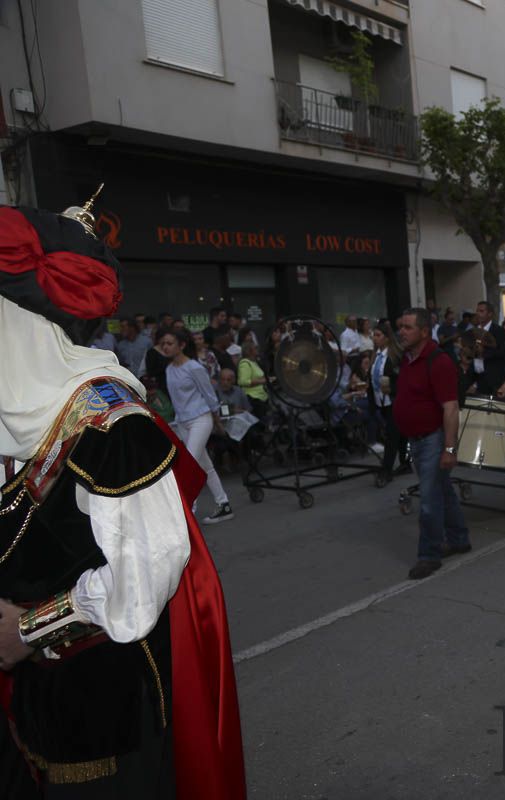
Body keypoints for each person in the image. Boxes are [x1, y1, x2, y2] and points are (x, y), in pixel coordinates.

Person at [0, 202, 245, 798]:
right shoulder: (15, 410)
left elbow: (143, 580)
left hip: (105, 696)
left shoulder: (114, 423)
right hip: (34, 694)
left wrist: (29, 627)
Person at [393, 308, 470, 580]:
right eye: (401, 326)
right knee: (442, 490)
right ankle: (459, 538)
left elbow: (450, 408)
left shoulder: (438, 361)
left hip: (433, 440)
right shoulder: (407, 358)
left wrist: (449, 448)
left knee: (429, 501)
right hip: (417, 440)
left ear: (424, 332)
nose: (401, 331)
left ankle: (429, 555)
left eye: (408, 327)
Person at [160, 330, 234, 524]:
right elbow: (176, 400)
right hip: (183, 422)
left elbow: (209, 394)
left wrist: (217, 421)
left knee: (189, 464)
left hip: (201, 418)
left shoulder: (194, 367)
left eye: (169, 343)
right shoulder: (169, 369)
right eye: (163, 343)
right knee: (205, 466)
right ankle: (224, 504)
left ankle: (188, 511)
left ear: (182, 345)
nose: (165, 347)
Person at [368, 320, 405, 480]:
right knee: (400, 433)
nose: (375, 338)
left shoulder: (395, 356)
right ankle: (406, 462)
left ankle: (386, 469)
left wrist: (392, 388)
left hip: (393, 401)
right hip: (379, 400)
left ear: (387, 338)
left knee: (392, 435)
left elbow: (402, 378)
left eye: (378, 335)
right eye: (373, 335)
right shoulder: (375, 356)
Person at [472, 301, 505, 394]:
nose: (478, 314)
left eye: (481, 311)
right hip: (476, 376)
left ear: (490, 314)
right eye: (477, 311)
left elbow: (502, 352)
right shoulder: (474, 330)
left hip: (493, 377)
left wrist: (483, 353)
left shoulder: (498, 330)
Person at [237, 338, 270, 418]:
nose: (257, 349)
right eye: (255, 348)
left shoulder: (255, 362)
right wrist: (263, 381)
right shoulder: (245, 364)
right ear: (249, 351)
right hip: (253, 399)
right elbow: (243, 381)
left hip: (262, 397)